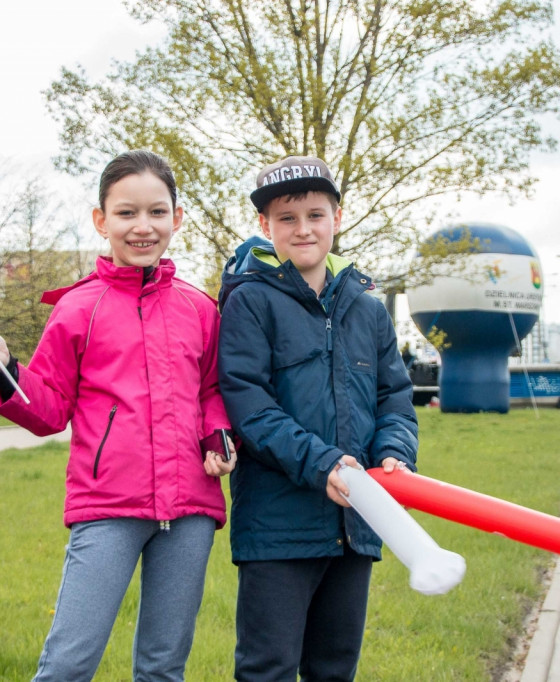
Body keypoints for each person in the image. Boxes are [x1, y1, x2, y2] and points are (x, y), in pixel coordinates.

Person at [0, 150, 237, 681]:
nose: (143, 226)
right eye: (127, 212)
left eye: (157, 212)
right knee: (68, 662)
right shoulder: (77, 309)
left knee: (163, 666)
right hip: (107, 505)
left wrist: (217, 434)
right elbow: (48, 407)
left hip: (191, 510)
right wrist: (5, 367)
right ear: (101, 220)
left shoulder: (200, 309)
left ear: (176, 219)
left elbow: (213, 390)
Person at [216, 155, 419, 681]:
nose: (303, 229)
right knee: (269, 669)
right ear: (265, 226)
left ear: (338, 216)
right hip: (277, 528)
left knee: (334, 670)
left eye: (315, 214)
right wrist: (324, 464)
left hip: (356, 526)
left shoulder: (367, 308)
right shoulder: (249, 302)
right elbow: (250, 407)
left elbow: (394, 397)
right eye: (287, 219)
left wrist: (396, 452)